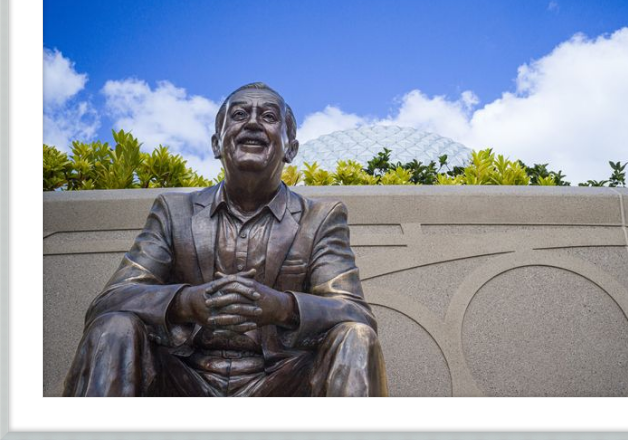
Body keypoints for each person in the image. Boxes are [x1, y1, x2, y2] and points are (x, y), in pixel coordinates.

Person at [63, 82, 388, 397]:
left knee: (355, 336)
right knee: (113, 326)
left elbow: (355, 312)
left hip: (283, 382)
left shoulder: (320, 218)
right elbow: (110, 301)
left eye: (269, 117)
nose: (253, 123)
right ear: (217, 143)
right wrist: (185, 303)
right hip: (181, 379)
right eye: (239, 115)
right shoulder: (174, 211)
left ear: (291, 148)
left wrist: (283, 307)